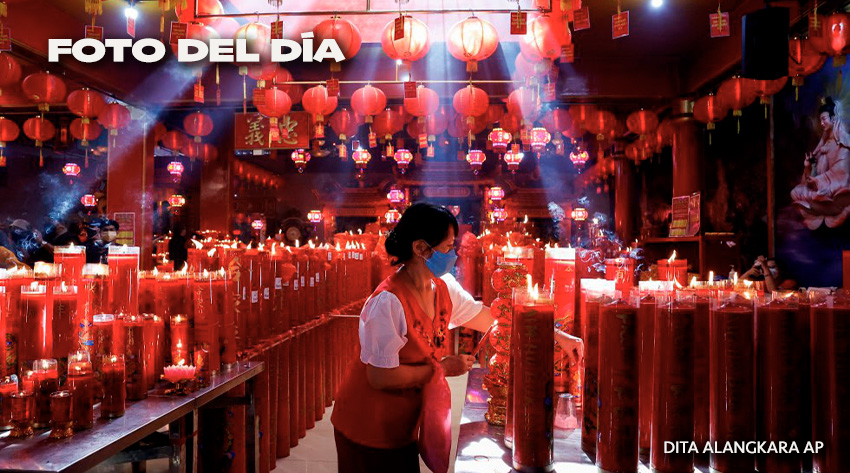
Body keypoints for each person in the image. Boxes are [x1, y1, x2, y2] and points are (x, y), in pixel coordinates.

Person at [331, 203, 583, 473]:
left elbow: (491, 318)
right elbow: (380, 376)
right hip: (365, 426)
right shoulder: (387, 302)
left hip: (403, 426)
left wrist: (556, 335)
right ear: (420, 248)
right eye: (447, 248)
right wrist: (440, 369)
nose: (454, 255)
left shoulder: (443, 287)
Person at [791, 97, 850, 229]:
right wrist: (808, 167)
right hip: (821, 192)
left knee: (840, 195)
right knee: (796, 192)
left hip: (835, 192)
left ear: (834, 119)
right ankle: (817, 204)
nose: (821, 123)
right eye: (820, 120)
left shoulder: (843, 143)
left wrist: (818, 181)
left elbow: (842, 173)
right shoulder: (824, 143)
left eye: (824, 119)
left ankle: (819, 205)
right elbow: (813, 175)